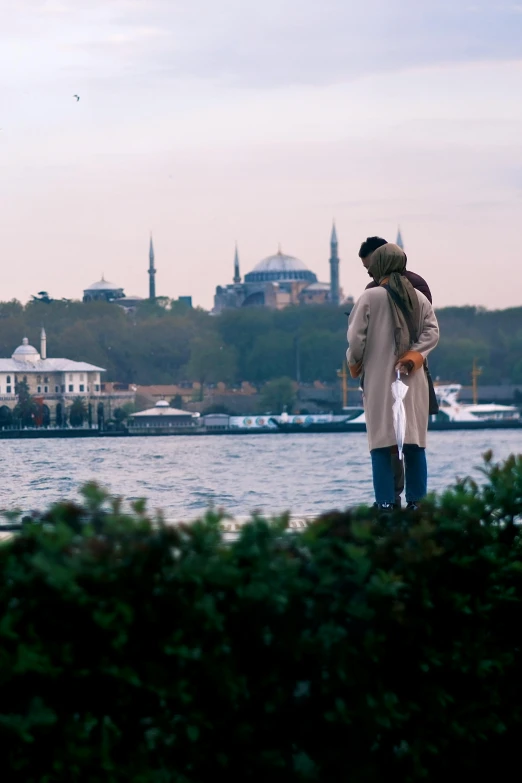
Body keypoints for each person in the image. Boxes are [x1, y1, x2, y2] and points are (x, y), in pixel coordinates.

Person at [347, 243, 439, 510]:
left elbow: (355, 340)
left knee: (381, 442)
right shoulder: (419, 298)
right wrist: (413, 357)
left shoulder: (370, 298)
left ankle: (386, 503)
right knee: (413, 442)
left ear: (378, 266)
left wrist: (355, 364)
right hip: (413, 379)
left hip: (379, 381)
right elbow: (432, 332)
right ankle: (418, 502)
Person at [359, 236, 432, 303]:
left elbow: (423, 315)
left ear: (386, 259)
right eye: (367, 267)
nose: (370, 273)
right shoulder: (371, 289)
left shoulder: (416, 285)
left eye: (373, 266)